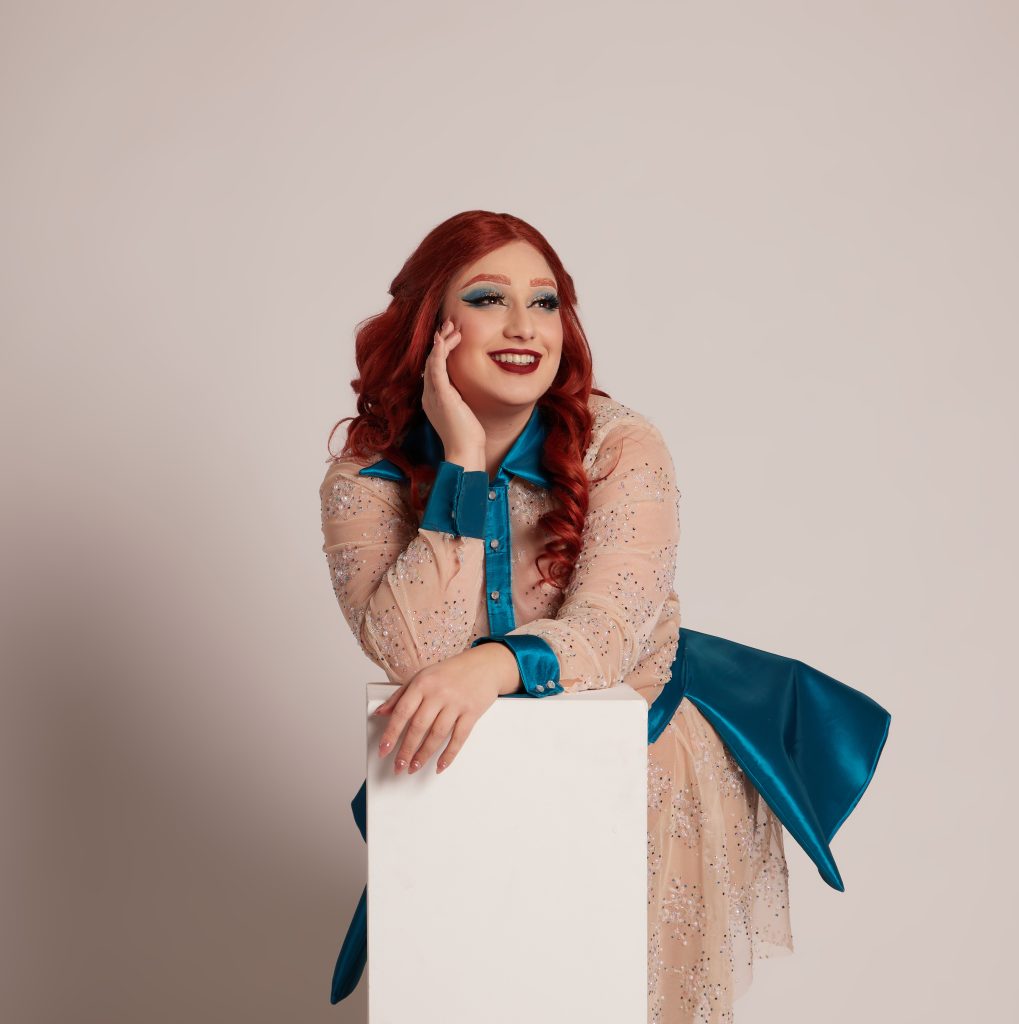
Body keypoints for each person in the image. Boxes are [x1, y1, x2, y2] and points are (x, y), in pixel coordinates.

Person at [318, 210, 891, 1022]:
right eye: (488, 298)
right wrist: (460, 466)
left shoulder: (619, 444)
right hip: (459, 767)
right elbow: (413, 650)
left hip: (638, 752)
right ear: (430, 324)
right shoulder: (364, 474)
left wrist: (491, 664)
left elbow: (610, 631)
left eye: (545, 302)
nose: (524, 327)